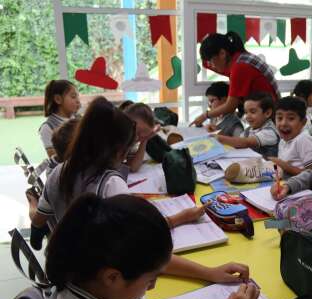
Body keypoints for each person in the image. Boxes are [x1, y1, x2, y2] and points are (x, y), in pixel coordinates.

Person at [46, 193, 259, 299]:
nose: (153, 285)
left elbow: (156, 261)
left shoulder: (88, 265)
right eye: (150, 280)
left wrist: (209, 272)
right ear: (112, 277)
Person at [28, 97, 205, 250]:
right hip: (98, 275)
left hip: (70, 264)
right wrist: (182, 217)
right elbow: (138, 235)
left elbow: (38, 220)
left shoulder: (59, 171)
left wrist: (33, 205)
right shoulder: (110, 184)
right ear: (120, 150)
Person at [190, 32, 279, 127]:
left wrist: (205, 115)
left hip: (269, 120)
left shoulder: (239, 67)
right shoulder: (240, 58)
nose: (211, 65)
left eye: (211, 61)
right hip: (267, 113)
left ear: (222, 53)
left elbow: (230, 106)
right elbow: (209, 65)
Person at [267, 96, 312, 178]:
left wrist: (284, 166)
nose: (283, 123)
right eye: (279, 118)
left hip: (305, 189)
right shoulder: (283, 141)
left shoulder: (303, 140)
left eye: (291, 118)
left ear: (303, 122)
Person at [216, 92, 279, 157]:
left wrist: (220, 138)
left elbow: (245, 142)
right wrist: (218, 134)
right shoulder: (249, 130)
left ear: (267, 113)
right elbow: (237, 141)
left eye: (252, 112)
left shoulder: (270, 132)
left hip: (268, 166)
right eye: (246, 112)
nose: (247, 116)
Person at [39, 80, 81, 157]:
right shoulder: (47, 128)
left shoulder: (80, 119)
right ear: (58, 99)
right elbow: (56, 159)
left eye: (78, 96)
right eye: (73, 97)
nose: (78, 101)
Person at [123, 103, 160, 172]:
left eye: (142, 135)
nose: (137, 138)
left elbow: (133, 167)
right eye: (138, 132)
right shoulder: (116, 140)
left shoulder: (129, 141)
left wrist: (144, 140)